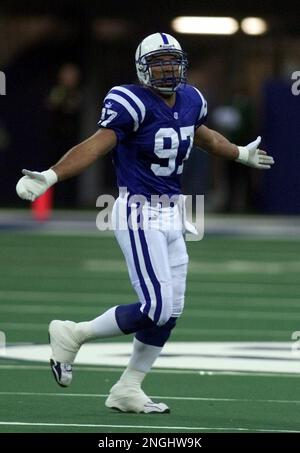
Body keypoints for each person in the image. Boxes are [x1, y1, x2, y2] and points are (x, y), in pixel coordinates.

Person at [16, 32, 274, 414]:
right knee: (156, 306)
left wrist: (238, 153)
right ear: (142, 69)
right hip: (139, 210)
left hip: (174, 211)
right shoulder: (130, 101)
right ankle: (74, 333)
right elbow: (97, 143)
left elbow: (200, 135)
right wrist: (51, 176)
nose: (168, 69)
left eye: (173, 61)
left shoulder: (191, 99)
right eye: (159, 63)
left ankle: (128, 387)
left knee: (173, 308)